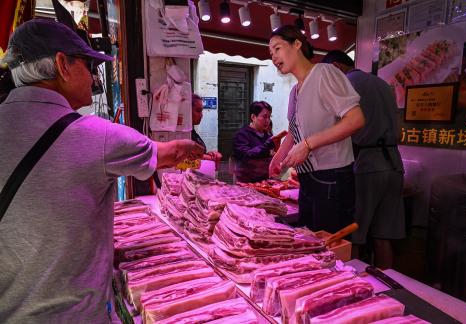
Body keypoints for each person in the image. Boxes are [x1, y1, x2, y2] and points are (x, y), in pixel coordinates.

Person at [0, 19, 203, 323]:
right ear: (62, 64)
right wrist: (193, 150)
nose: (94, 78)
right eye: (88, 65)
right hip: (75, 314)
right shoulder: (97, 135)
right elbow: (168, 153)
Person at [268, 25, 365, 233]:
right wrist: (280, 156)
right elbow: (295, 132)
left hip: (332, 177)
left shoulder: (324, 72)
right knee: (309, 244)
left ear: (297, 44)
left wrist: (308, 144)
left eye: (277, 49)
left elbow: (355, 119)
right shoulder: (295, 90)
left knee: (330, 249)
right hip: (308, 178)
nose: (274, 58)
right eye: (270, 53)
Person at [322, 50, 405, 269]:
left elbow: (335, 130)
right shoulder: (383, 84)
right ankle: (389, 289)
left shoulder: (346, 85)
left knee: (354, 234)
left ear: (337, 68)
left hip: (366, 165)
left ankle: (354, 289)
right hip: (394, 164)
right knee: (383, 235)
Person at [233, 101, 285, 183]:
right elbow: (246, 155)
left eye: (269, 117)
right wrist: (267, 145)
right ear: (253, 117)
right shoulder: (242, 134)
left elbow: (271, 154)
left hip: (265, 181)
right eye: (264, 117)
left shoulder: (268, 134)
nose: (268, 120)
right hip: (246, 182)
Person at [191, 93, 222, 162]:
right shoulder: (181, 134)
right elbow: (187, 157)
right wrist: (210, 158)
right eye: (198, 111)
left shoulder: (192, 132)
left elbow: (197, 154)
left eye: (201, 111)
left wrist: (209, 154)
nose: (201, 115)